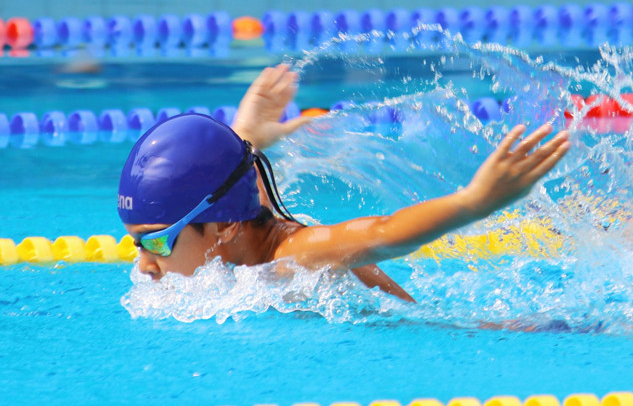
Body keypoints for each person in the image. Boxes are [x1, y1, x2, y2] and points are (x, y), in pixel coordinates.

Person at [118, 64, 570, 303]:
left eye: (156, 243)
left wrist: (474, 202)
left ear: (225, 228)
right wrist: (247, 135)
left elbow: (381, 234)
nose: (143, 264)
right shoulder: (236, 224)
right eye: (137, 244)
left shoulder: (295, 255)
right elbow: (230, 179)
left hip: (441, 330)